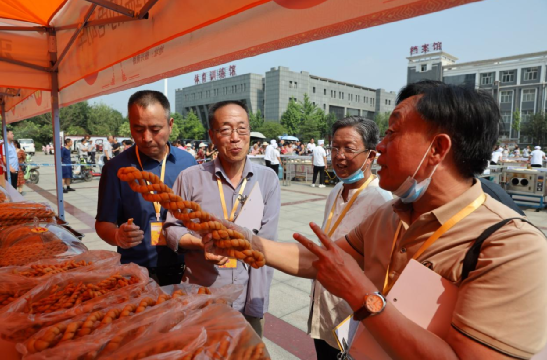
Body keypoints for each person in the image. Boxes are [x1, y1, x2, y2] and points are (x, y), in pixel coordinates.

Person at [209, 81, 547, 359]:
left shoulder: (511, 247)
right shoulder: (390, 215)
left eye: (393, 133)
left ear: (437, 148)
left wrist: (363, 297)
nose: (380, 148)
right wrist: (246, 240)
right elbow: (320, 260)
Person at [164, 100, 280, 339]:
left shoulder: (267, 180)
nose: (235, 137)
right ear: (212, 136)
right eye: (225, 130)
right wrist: (200, 243)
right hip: (202, 296)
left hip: (249, 298)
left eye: (242, 129)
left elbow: (267, 240)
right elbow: (171, 228)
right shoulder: (190, 178)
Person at [308, 117, 392, 358]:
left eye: (349, 149)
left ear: (371, 156)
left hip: (351, 319)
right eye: (334, 147)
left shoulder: (381, 202)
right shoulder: (336, 190)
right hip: (323, 311)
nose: (339, 155)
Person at [95, 90, 197, 285]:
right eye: (139, 129)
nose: (147, 137)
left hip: (186, 268)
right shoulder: (116, 169)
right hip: (136, 273)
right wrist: (117, 235)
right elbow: (103, 223)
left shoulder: (188, 162)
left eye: (155, 129)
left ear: (170, 124)